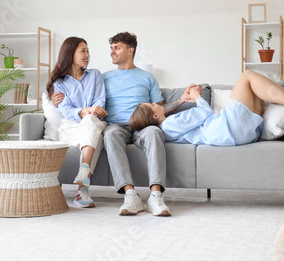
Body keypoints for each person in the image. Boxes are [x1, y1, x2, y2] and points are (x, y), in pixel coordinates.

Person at [102, 32, 197, 217]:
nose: (112, 52)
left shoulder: (147, 77)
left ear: (130, 50)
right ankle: (131, 196)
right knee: (110, 134)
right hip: (117, 126)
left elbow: (159, 109)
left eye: (117, 47)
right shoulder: (103, 78)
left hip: (143, 126)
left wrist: (180, 101)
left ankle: (155, 196)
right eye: (111, 48)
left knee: (154, 132)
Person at [129, 69, 284, 146]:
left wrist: (185, 100)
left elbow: (171, 112)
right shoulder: (169, 125)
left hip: (242, 132)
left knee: (260, 82)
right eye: (152, 104)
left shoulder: (169, 125)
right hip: (228, 128)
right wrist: (196, 97)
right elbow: (205, 112)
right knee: (247, 75)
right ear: (154, 115)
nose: (156, 102)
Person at [46, 37, 108, 208]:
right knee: (96, 138)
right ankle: (82, 190)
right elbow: (65, 110)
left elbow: (100, 102)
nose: (87, 54)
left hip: (94, 123)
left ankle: (83, 175)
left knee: (91, 123)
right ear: (70, 53)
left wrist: (90, 112)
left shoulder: (95, 75)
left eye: (88, 51)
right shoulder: (60, 83)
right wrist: (86, 110)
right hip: (71, 127)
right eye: (83, 50)